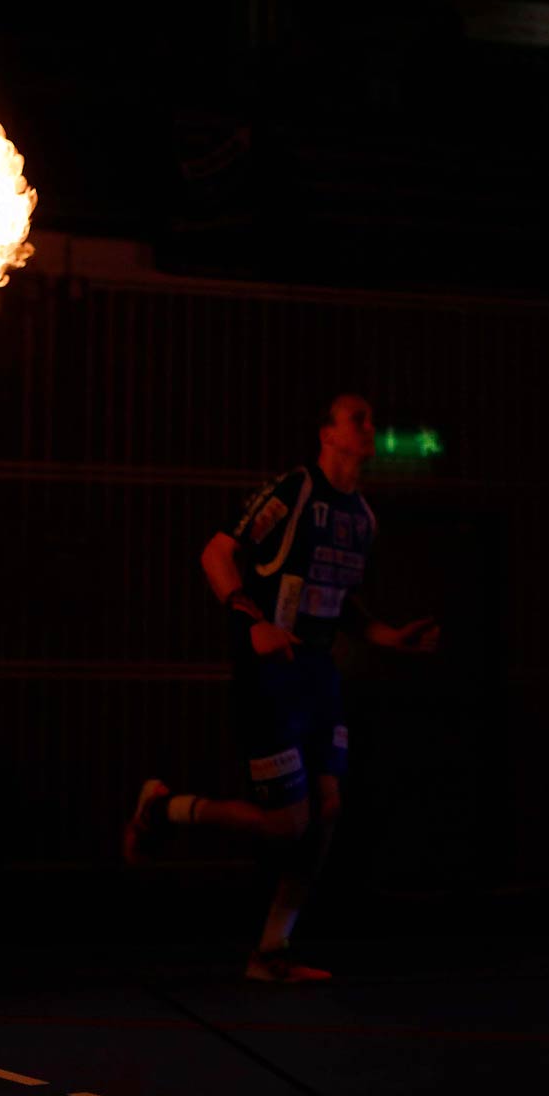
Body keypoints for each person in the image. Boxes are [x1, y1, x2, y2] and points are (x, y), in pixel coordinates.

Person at [124, 393, 440, 982]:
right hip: (270, 674)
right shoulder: (292, 492)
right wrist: (253, 622)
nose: (371, 428)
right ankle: (164, 809)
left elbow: (343, 602)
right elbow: (217, 553)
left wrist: (388, 635)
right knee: (286, 825)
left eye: (372, 420)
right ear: (327, 434)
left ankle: (272, 951)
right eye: (358, 419)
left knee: (328, 806)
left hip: (319, 675)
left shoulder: (364, 520)